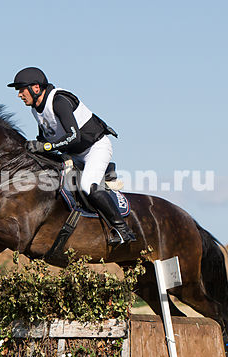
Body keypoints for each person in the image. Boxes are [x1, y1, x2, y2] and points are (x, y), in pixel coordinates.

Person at [7, 67, 136, 245]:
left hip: (95, 148)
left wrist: (45, 146)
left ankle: (123, 230)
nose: (20, 95)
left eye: (22, 89)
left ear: (35, 88)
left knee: (87, 185)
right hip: (73, 154)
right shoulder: (36, 109)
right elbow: (46, 138)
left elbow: (74, 137)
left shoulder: (59, 101)